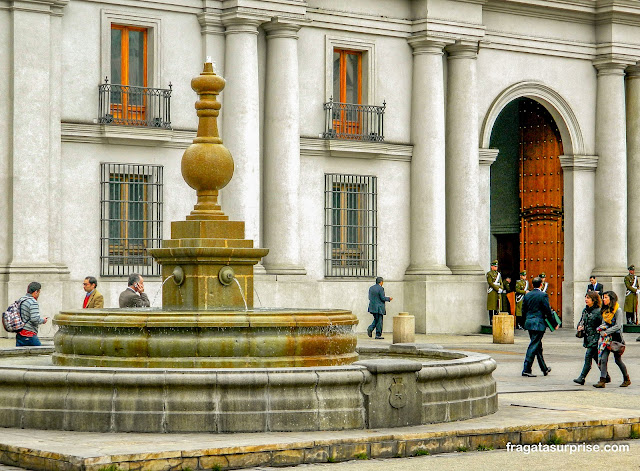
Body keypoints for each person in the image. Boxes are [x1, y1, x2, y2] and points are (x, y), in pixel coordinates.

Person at [594, 291, 630, 388]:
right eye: (603, 297)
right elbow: (603, 323)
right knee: (603, 359)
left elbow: (618, 325)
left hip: (615, 339)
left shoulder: (617, 310)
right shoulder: (605, 310)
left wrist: (607, 331)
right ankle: (602, 380)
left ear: (611, 299)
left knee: (618, 360)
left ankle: (626, 379)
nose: (603, 299)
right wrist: (601, 329)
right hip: (606, 339)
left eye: (605, 297)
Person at [521, 277, 552, 377]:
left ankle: (544, 368)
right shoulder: (543, 295)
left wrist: (523, 323)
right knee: (534, 345)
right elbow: (547, 310)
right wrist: (553, 323)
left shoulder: (527, 295)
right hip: (539, 323)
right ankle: (526, 369)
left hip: (529, 322)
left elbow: (523, 310)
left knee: (538, 346)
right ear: (541, 284)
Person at [573, 291, 603, 385]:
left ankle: (582, 377)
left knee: (588, 357)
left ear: (594, 300)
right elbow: (581, 321)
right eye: (585, 297)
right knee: (596, 358)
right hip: (587, 337)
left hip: (595, 338)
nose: (586, 300)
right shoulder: (585, 310)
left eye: (588, 298)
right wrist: (579, 327)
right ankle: (606, 376)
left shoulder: (598, 312)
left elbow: (602, 325)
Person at [15, 282, 49, 347]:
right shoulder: (33, 302)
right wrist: (43, 320)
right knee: (40, 353)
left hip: (19, 334)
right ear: (36, 292)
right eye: (39, 292)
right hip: (29, 334)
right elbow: (35, 319)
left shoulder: (21, 300)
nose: (39, 294)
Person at [486, 260, 502, 326]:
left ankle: (496, 323)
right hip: (492, 292)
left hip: (498, 293)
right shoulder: (489, 274)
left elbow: (501, 282)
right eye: (494, 266)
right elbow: (490, 283)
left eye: (496, 266)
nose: (496, 268)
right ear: (491, 267)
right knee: (491, 308)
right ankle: (491, 322)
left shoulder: (498, 274)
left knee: (497, 308)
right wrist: (497, 288)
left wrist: (501, 288)